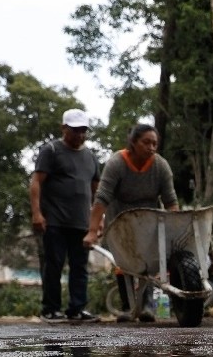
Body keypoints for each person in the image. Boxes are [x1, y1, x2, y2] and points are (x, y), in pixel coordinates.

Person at [83, 123, 179, 322]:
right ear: (133, 142)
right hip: (120, 219)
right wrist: (93, 230)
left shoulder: (160, 166)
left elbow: (171, 201)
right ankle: (128, 307)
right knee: (123, 262)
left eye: (155, 144)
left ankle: (146, 307)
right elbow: (102, 198)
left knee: (150, 262)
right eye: (146, 142)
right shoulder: (117, 163)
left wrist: (174, 229)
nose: (151, 147)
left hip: (149, 219)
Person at [30, 108, 102, 323]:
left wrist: (98, 222)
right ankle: (50, 309)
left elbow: (97, 191)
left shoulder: (90, 157)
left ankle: (77, 309)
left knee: (80, 267)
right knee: (55, 264)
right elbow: (36, 182)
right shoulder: (51, 150)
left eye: (83, 131)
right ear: (64, 128)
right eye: (75, 130)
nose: (80, 135)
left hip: (81, 223)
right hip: (55, 221)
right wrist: (37, 213)